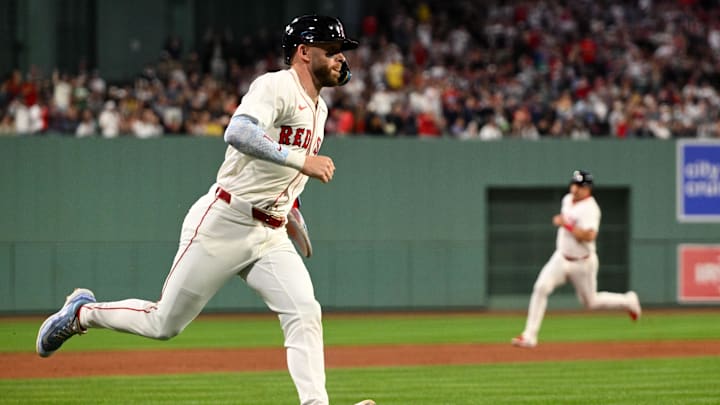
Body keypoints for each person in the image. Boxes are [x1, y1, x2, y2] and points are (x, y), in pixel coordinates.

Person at [35, 14, 375, 405]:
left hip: (269, 234)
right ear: (303, 52)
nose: (340, 60)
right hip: (225, 221)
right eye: (331, 51)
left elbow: (274, 173)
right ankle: (82, 314)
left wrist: (290, 205)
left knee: (304, 311)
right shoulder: (275, 86)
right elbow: (239, 132)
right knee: (163, 323)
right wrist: (301, 161)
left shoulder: (321, 109)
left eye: (340, 53)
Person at [511, 170, 641, 348]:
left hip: (583, 263)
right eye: (574, 184)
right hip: (561, 257)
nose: (576, 188)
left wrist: (567, 225)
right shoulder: (567, 200)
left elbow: (589, 236)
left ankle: (628, 301)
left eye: (580, 186)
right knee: (540, 287)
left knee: (591, 302)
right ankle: (529, 336)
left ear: (588, 189)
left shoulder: (591, 209)